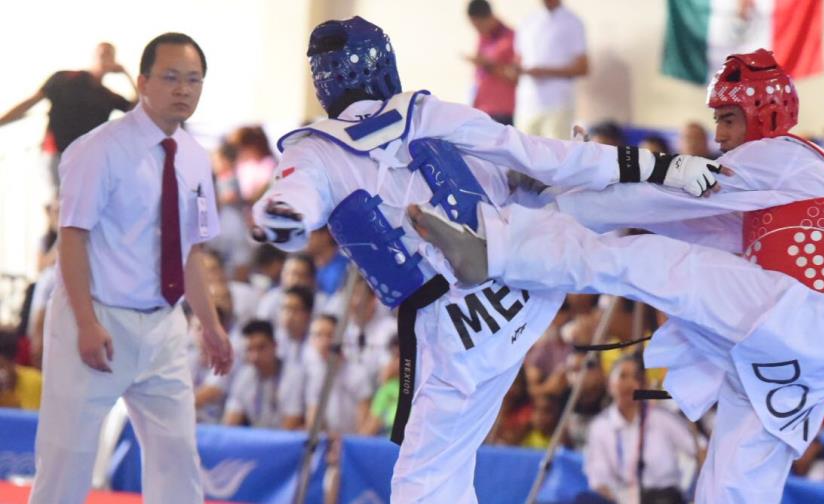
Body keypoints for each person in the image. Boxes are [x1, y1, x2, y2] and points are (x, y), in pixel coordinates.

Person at [250, 16, 721, 503]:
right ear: (381, 62)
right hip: (524, 288)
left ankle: (492, 238)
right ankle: (707, 191)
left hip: (461, 334)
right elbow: (535, 151)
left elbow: (289, 204)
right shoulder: (425, 112)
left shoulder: (314, 151)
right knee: (583, 210)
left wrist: (280, 217)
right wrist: (662, 165)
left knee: (424, 484)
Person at [407, 48, 824, 503]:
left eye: (727, 119)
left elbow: (658, 200)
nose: (718, 135)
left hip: (805, 317)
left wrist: (556, 191)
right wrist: (565, 190)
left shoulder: (777, 158)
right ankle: (505, 247)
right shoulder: (799, 174)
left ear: (763, 115)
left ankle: (497, 252)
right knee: (736, 484)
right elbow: (694, 222)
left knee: (640, 261)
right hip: (816, 345)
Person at [28, 33, 233, 504]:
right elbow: (72, 239)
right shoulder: (96, 150)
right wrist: (84, 322)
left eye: (194, 80)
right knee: (66, 463)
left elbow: (192, 252)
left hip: (164, 326)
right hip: (97, 320)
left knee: (179, 461)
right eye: (171, 78)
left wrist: (212, 326)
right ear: (142, 82)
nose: (183, 89)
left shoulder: (198, 159)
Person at [0, 42, 135, 191]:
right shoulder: (64, 78)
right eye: (102, 53)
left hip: (85, 159)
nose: (105, 58)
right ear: (94, 55)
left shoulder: (108, 96)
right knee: (59, 201)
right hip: (55, 153)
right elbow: (30, 102)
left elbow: (137, 110)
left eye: (110, 55)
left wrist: (126, 74)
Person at [584, 355, 702, 504]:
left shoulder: (661, 417)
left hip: (665, 498)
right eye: (622, 376)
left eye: (636, 377)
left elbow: (700, 449)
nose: (629, 384)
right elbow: (598, 479)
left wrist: (696, 494)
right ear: (609, 384)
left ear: (644, 384)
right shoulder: (600, 427)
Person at [513, 0, 588, 138]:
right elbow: (518, 59)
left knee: (555, 155)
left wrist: (544, 72)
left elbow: (583, 68)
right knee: (524, 154)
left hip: (557, 103)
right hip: (527, 103)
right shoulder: (528, 21)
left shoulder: (572, 22)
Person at [223, 320, 283, 428]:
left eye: (261, 348)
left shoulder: (291, 375)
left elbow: (291, 425)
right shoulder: (244, 377)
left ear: (275, 345)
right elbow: (230, 424)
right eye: (250, 349)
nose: (255, 356)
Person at [466, 0, 516, 125]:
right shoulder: (483, 37)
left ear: (488, 18)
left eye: (478, 25)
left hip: (502, 111)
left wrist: (487, 65)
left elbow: (514, 77)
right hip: (481, 108)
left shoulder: (510, 38)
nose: (477, 29)